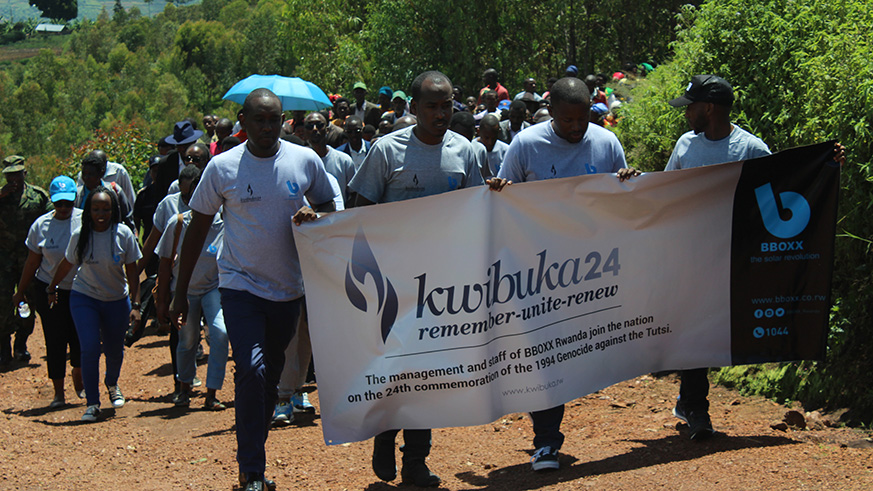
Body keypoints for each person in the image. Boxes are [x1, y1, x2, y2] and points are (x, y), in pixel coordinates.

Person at [171, 88, 336, 491]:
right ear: (243, 122)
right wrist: (178, 291)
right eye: (259, 120)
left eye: (274, 119)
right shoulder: (222, 168)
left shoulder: (304, 160)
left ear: (284, 122)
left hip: (288, 290)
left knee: (269, 377)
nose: (267, 127)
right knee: (252, 369)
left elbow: (330, 208)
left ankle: (253, 453)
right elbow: (196, 229)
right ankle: (253, 471)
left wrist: (315, 215)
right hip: (239, 286)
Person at [348, 70, 485, 487]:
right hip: (392, 287)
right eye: (432, 105)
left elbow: (478, 209)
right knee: (393, 369)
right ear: (413, 107)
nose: (441, 113)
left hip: (443, 288)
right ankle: (384, 436)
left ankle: (416, 462)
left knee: (427, 374)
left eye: (447, 105)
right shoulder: (386, 151)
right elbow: (359, 209)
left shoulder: (466, 151)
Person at [497, 77, 638, 471]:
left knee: (573, 351)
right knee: (545, 354)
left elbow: (621, 199)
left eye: (583, 119)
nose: (577, 127)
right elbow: (502, 200)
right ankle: (546, 441)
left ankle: (547, 432)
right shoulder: (526, 145)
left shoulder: (607, 143)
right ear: (552, 113)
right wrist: (499, 189)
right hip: (538, 269)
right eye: (567, 120)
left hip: (592, 269)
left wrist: (628, 184)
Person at [664, 74, 771, 439]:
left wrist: (827, 164)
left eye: (690, 106)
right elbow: (664, 193)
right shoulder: (684, 147)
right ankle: (696, 409)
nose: (686, 113)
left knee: (715, 334)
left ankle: (689, 399)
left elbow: (785, 189)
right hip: (690, 261)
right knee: (695, 333)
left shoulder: (751, 150)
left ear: (708, 109)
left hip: (732, 262)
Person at [47, 185, 142, 422]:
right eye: (96, 209)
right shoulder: (80, 235)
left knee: (114, 350)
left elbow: (132, 271)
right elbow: (68, 264)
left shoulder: (123, 234)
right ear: (88, 211)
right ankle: (92, 402)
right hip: (85, 297)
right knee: (89, 347)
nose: (101, 214)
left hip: (116, 300)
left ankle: (112, 383)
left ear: (114, 210)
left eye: (106, 209)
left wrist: (136, 305)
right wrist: (52, 286)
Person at [156, 165, 228, 411]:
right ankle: (184, 387)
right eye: (191, 195)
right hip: (184, 290)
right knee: (187, 339)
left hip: (212, 289)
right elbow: (165, 264)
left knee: (219, 333)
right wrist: (163, 302)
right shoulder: (178, 224)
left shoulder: (225, 224)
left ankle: (212, 392)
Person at [12, 176, 84, 407]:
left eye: (68, 203)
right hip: (49, 291)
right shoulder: (41, 226)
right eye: (58, 203)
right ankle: (58, 393)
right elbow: (32, 263)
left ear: (75, 200)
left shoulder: (85, 221)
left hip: (81, 290)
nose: (63, 208)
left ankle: (79, 376)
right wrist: (20, 291)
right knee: (55, 340)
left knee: (80, 338)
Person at [0, 155, 52, 366]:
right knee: (2, 305)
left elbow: (52, 219)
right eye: (9, 175)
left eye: (17, 174)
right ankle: (3, 347)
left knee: (27, 305)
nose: (13, 179)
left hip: (29, 262)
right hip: (3, 261)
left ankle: (21, 343)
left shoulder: (38, 197)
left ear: (24, 174)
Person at [304, 112, 356, 205]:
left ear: (327, 130)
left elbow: (354, 193)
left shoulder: (344, 160)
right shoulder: (300, 162)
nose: (315, 129)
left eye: (319, 125)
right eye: (309, 126)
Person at [76, 154, 135, 231]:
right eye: (84, 174)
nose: (86, 178)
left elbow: (128, 218)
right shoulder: (77, 194)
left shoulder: (114, 191)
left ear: (101, 173)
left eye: (91, 174)